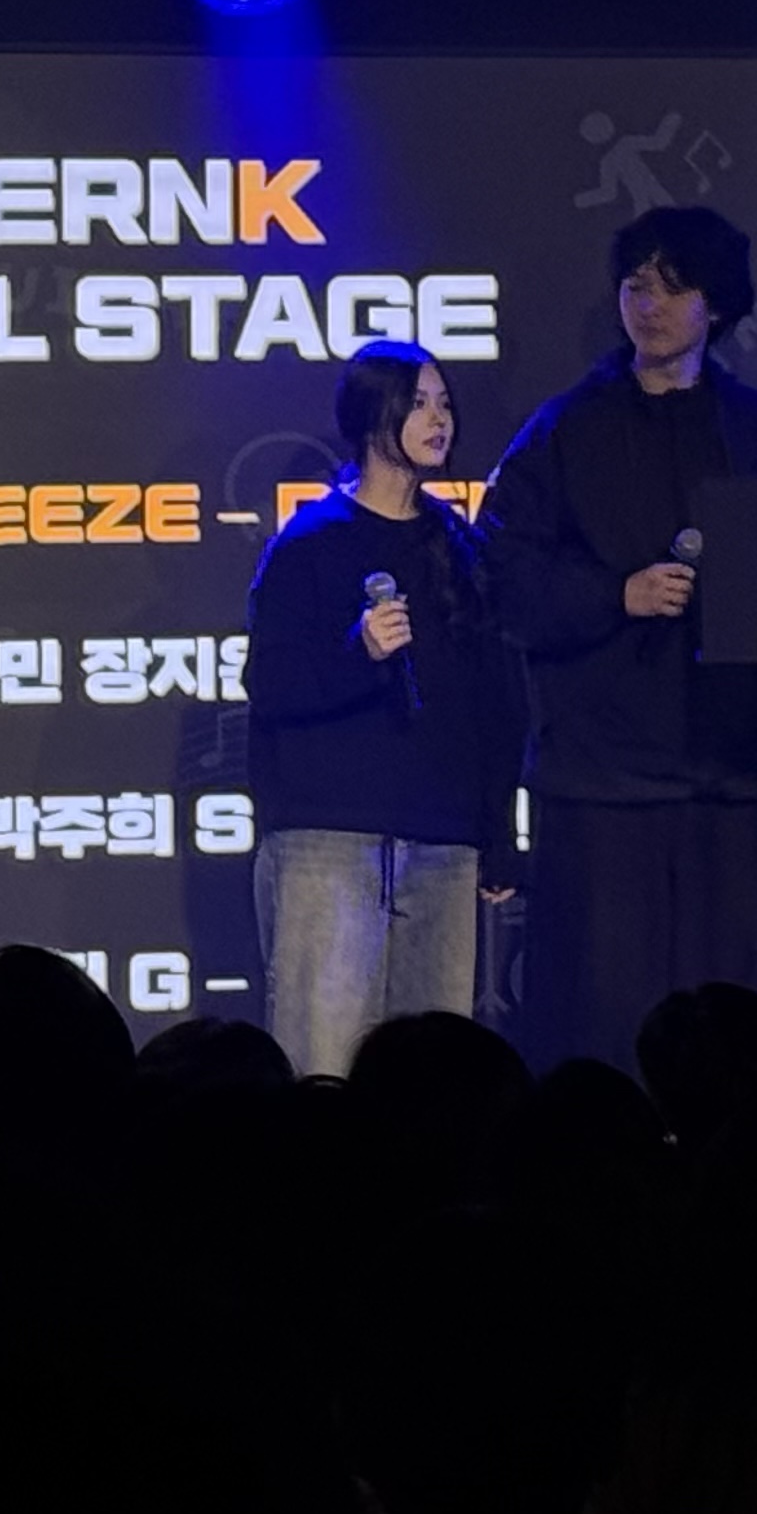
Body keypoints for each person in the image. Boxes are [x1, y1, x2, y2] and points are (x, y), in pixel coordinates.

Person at [483, 206, 757, 1072]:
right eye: (635, 285)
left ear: (716, 304)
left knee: (736, 1027)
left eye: (673, 287)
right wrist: (614, 594)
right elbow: (502, 574)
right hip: (601, 782)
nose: (649, 305)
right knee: (604, 1019)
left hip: (733, 778)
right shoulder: (564, 429)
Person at [242, 342, 527, 1078]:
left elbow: (495, 703)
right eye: (418, 403)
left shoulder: (459, 546)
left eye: (444, 404)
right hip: (331, 841)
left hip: (443, 844)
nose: (439, 420)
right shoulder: (310, 543)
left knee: (434, 1076)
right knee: (325, 1063)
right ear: (373, 417)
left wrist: (494, 830)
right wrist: (357, 653)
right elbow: (270, 684)